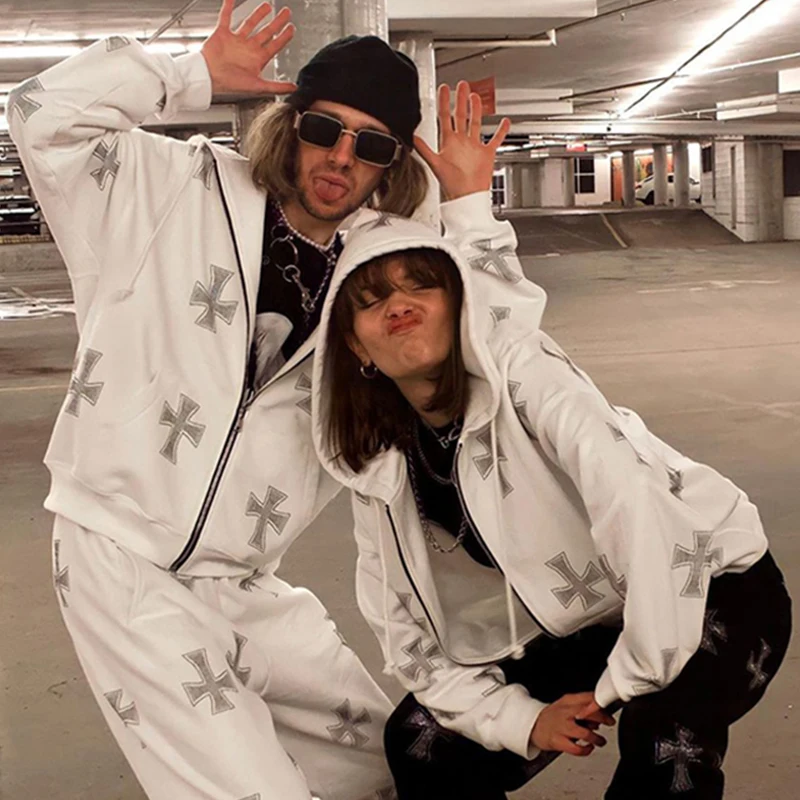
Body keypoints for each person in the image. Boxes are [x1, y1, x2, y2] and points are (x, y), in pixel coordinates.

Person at [7, 1, 537, 798]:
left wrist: (466, 211)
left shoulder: (380, 269)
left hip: (244, 577)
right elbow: (39, 113)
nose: (341, 157)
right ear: (290, 124)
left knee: (389, 764)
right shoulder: (169, 191)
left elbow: (503, 354)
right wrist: (188, 74)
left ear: (392, 165)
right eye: (325, 128)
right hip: (120, 553)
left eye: (371, 145)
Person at [311, 213, 792, 799]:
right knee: (420, 741)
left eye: (422, 284)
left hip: (711, 582)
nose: (398, 305)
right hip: (589, 620)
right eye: (371, 299)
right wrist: (522, 719)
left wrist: (618, 685)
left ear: (460, 308)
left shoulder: (526, 377)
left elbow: (640, 508)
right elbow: (403, 632)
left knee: (666, 739)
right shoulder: (379, 469)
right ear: (356, 344)